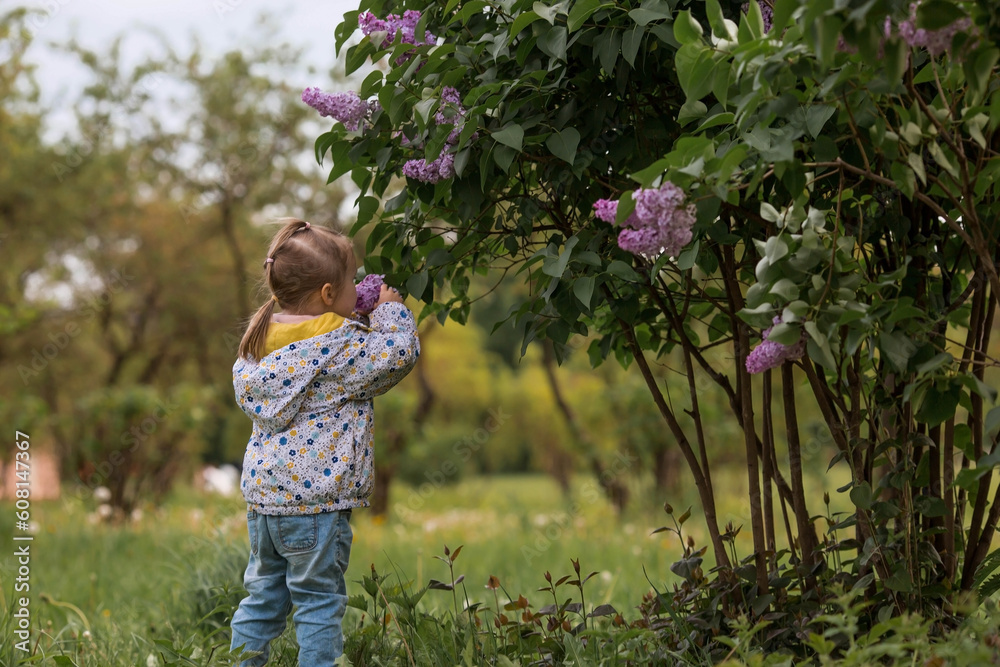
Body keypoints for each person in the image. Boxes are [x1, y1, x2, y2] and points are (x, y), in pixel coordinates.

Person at [228, 218, 419, 666]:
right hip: (316, 506)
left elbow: (317, 339)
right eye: (352, 280)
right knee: (318, 601)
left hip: (265, 505)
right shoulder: (339, 347)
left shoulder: (259, 343)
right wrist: (389, 312)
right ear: (329, 293)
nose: (357, 287)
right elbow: (397, 355)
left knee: (262, 598)